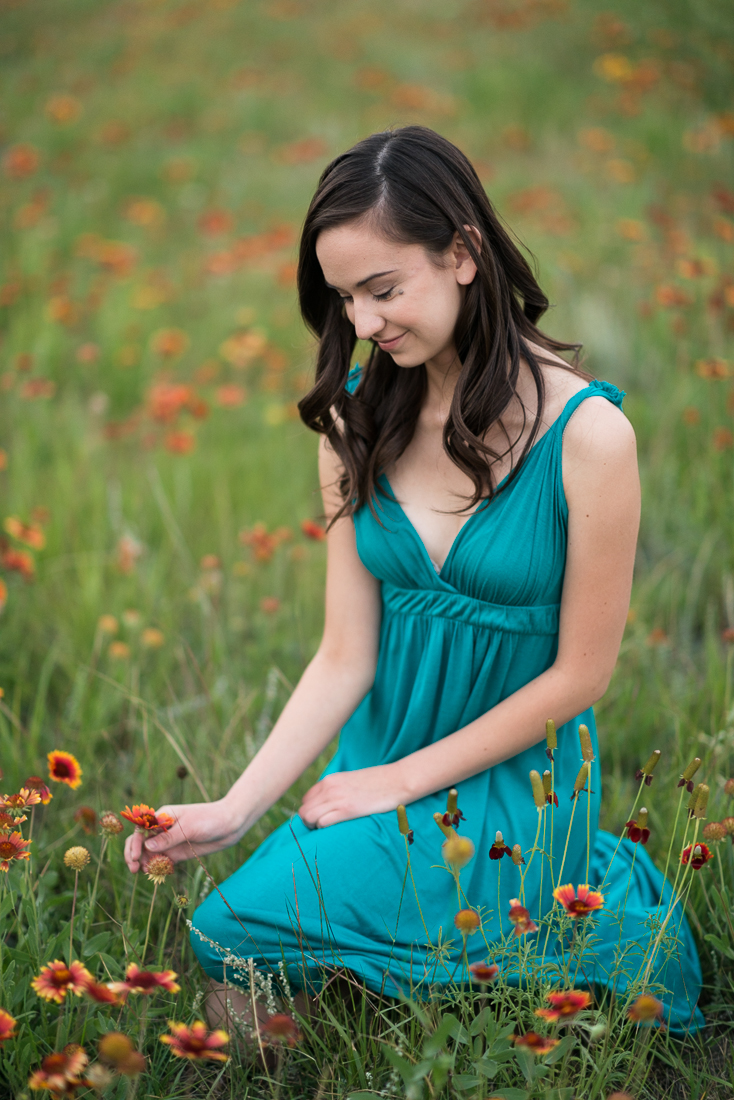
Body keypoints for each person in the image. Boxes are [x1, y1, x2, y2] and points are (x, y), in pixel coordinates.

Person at [124, 125, 703, 1033]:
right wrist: (237, 810)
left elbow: (581, 677)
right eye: (345, 297)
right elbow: (344, 657)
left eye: (384, 289)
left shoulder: (589, 438)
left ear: (464, 254)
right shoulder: (354, 427)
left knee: (238, 927)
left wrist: (399, 785)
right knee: (231, 950)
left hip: (519, 780)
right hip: (379, 762)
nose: (361, 323)